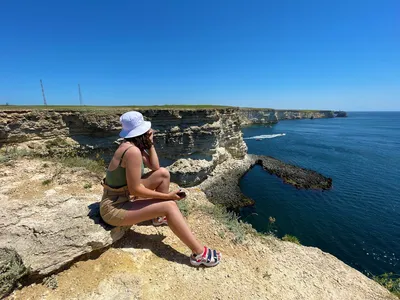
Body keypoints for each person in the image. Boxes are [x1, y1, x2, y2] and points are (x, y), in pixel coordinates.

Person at [100, 111, 221, 267]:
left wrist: (150, 144)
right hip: (114, 209)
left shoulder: (130, 146)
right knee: (169, 206)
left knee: (163, 173)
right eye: (147, 131)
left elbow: (155, 167)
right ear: (141, 132)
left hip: (120, 197)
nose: (150, 132)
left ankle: (158, 218)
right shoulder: (133, 152)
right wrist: (168, 197)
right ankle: (199, 254)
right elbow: (136, 189)